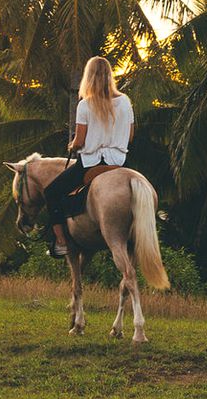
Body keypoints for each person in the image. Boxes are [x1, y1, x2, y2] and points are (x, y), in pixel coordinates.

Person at [42, 56, 136, 258]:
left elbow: (80, 140)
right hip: (118, 163)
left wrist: (72, 145)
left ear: (89, 77)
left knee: (51, 192)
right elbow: (130, 136)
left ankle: (60, 243)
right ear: (110, 76)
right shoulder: (125, 101)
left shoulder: (85, 105)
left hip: (91, 163)